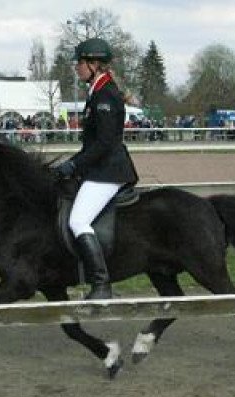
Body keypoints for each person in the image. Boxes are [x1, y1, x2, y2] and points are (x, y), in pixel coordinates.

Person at [54, 38, 139, 299]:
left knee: (78, 221)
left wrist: (75, 165)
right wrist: (69, 163)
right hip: (100, 168)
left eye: (79, 63)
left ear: (95, 64)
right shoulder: (98, 91)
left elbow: (104, 143)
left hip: (108, 172)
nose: (76, 68)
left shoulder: (105, 95)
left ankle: (102, 285)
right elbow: (93, 143)